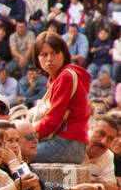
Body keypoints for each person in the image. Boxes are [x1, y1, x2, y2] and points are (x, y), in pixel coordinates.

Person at [33, 31, 91, 164]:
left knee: (20, 153)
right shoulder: (53, 78)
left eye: (54, 53)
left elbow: (53, 120)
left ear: (64, 55)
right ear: (37, 58)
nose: (49, 59)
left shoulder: (66, 77)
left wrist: (27, 136)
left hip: (67, 143)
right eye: (44, 54)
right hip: (66, 143)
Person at [82, 114, 121, 190]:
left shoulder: (107, 155)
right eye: (100, 134)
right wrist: (99, 185)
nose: (103, 142)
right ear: (86, 130)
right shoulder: (70, 148)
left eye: (110, 139)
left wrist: (87, 184)